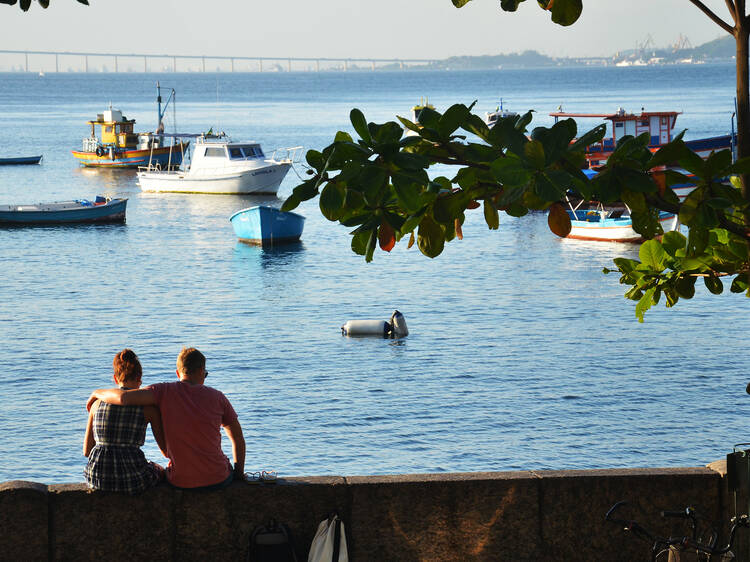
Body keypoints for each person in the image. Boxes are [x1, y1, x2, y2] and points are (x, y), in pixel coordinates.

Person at [87, 347, 245, 490]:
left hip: (180, 481)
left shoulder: (162, 391)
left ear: (178, 373)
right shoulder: (218, 397)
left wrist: (96, 393)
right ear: (201, 370)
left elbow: (123, 398)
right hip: (218, 479)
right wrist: (239, 474)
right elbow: (237, 437)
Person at [84, 349, 167, 494]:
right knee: (159, 470)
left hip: (97, 478)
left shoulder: (96, 405)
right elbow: (165, 451)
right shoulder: (148, 409)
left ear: (115, 378)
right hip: (132, 479)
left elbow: (87, 451)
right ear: (139, 377)